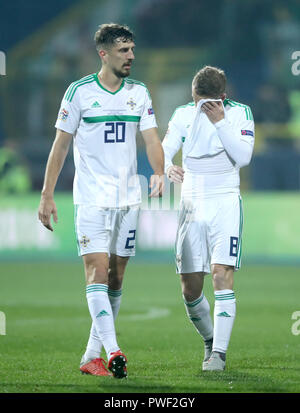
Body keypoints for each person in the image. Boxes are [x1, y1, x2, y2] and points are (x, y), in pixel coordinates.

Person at [38, 23, 164, 379]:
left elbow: (152, 138)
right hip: (92, 199)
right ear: (103, 53)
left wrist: (158, 171)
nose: (132, 57)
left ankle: (91, 355)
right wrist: (47, 194)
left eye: (133, 50)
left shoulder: (138, 92)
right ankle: (114, 351)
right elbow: (60, 146)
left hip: (128, 199)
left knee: (116, 277)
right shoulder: (78, 92)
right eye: (124, 51)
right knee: (95, 271)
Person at [162, 66, 254, 371]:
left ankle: (219, 354)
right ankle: (210, 339)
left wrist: (220, 122)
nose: (199, 108)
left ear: (222, 98)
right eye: (196, 100)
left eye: (206, 103)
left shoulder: (240, 114)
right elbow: (166, 147)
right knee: (190, 288)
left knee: (220, 273)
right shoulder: (182, 114)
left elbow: (242, 157)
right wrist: (165, 165)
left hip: (225, 199)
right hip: (192, 201)